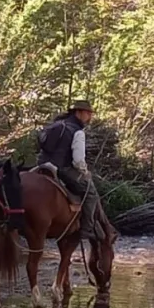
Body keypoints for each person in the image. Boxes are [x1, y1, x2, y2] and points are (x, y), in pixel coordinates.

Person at [36, 98, 100, 242]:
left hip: (41, 164)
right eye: (88, 113)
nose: (90, 116)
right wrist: (85, 172)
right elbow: (78, 160)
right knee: (90, 193)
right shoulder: (77, 132)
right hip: (61, 168)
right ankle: (86, 229)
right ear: (78, 112)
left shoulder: (56, 125)